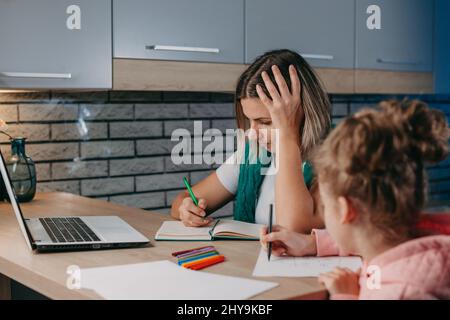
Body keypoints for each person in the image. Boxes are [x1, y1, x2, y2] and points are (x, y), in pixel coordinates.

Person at [261, 99, 450, 299]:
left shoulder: (400, 292)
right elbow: (366, 234)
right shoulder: (410, 244)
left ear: (345, 210)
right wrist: (312, 244)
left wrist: (345, 296)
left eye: (325, 206)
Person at [171, 49, 330, 232]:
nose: (252, 133)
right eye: (250, 120)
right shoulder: (253, 155)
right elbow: (181, 200)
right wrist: (186, 208)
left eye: (265, 122)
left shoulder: (338, 158)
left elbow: (292, 227)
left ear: (301, 112)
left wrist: (288, 135)